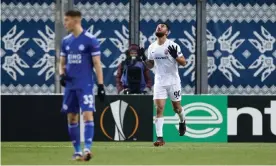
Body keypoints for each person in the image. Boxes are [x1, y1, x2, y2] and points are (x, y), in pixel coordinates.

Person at [59, 10, 105, 161]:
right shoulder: (66, 41)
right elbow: (62, 63)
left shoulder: (90, 40)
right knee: (72, 117)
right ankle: (77, 151)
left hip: (85, 85)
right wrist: (61, 74)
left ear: (75, 20)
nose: (64, 23)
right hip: (70, 86)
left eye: (66, 20)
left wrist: (101, 85)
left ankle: (87, 149)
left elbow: (97, 63)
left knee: (87, 115)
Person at [142, 23, 187, 146]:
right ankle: (160, 138)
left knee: (176, 108)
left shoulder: (173, 46)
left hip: (173, 82)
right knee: (159, 108)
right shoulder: (152, 47)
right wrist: (143, 59)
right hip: (160, 82)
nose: (159, 27)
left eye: (162, 27)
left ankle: (182, 120)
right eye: (158, 26)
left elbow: (184, 63)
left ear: (167, 32)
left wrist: (175, 57)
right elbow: (151, 65)